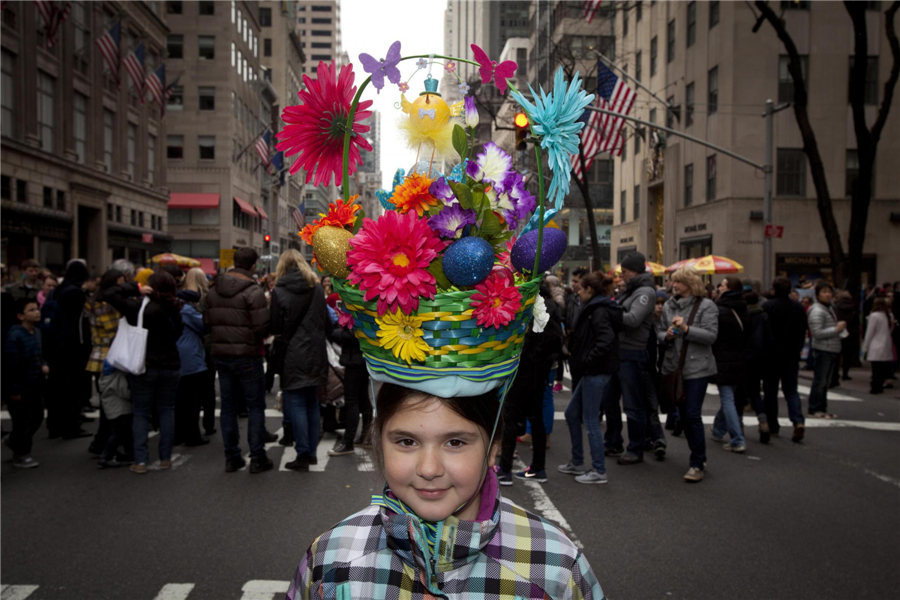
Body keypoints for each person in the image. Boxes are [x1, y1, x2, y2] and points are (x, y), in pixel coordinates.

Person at [285, 383, 605, 600]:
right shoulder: (331, 559)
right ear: (379, 444)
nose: (429, 468)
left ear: (494, 449)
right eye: (406, 441)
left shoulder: (557, 566)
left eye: (455, 442)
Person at [103, 272, 184, 474]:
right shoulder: (175, 308)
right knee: (167, 410)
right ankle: (165, 457)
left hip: (143, 364)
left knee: (140, 412)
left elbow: (108, 293)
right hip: (170, 364)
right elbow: (178, 333)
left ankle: (140, 460)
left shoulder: (137, 307)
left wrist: (134, 288)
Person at [206, 247, 273, 474]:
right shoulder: (253, 291)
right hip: (248, 354)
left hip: (221, 355)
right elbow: (261, 327)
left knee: (228, 407)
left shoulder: (213, 288)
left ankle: (232, 457)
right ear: (253, 266)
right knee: (255, 406)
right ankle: (257, 456)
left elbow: (205, 320)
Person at [497, 282, 564, 484]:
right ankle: (538, 468)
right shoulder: (552, 308)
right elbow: (556, 341)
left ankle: (505, 470)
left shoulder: (530, 306)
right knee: (536, 419)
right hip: (541, 370)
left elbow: (526, 338)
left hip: (524, 368)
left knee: (509, 416)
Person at [560, 272, 622, 484]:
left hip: (595, 370)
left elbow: (605, 341)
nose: (577, 290)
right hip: (592, 370)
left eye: (581, 288)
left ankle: (598, 470)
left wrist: (587, 359)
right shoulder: (598, 307)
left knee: (591, 421)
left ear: (590, 290)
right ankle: (578, 462)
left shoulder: (598, 310)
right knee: (571, 414)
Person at [270, 249, 329, 471]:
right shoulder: (316, 289)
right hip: (315, 352)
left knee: (295, 403)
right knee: (312, 402)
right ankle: (312, 452)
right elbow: (324, 320)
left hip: (292, 354)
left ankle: (303, 453)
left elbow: (275, 326)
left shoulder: (279, 290)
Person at [659, 268, 718, 482]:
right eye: (674, 282)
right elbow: (659, 330)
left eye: (680, 282)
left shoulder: (706, 306)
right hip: (675, 366)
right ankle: (698, 457)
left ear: (691, 284)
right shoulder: (668, 305)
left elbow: (711, 336)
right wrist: (665, 335)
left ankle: (697, 462)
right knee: (684, 415)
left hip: (697, 368)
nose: (675, 285)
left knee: (692, 414)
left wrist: (686, 328)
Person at [604, 252, 656, 465]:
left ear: (633, 271)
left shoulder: (645, 292)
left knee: (633, 404)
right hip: (619, 352)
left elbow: (633, 319)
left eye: (624, 272)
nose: (622, 276)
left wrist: (609, 313)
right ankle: (614, 442)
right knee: (609, 400)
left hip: (633, 352)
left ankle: (635, 448)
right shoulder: (632, 290)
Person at [44, 259, 94, 440]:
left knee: (57, 388)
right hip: (72, 348)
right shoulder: (75, 293)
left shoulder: (58, 290)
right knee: (72, 388)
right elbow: (80, 324)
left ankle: (55, 425)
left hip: (55, 346)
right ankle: (71, 425)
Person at [3, 298, 48, 468]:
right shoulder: (15, 336)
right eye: (31, 310)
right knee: (22, 420)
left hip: (35, 383)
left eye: (37, 309)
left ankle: (13, 441)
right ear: (20, 316)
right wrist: (13, 389)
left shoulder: (36, 332)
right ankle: (21, 454)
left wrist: (43, 364)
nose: (37, 312)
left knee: (36, 416)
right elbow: (11, 364)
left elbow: (39, 354)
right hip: (19, 386)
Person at [84, 269, 125, 456]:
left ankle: (103, 442)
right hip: (106, 358)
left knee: (109, 404)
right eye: (120, 283)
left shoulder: (98, 301)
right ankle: (102, 443)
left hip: (104, 356)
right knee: (111, 406)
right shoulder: (102, 304)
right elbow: (113, 331)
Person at [762, 277, 807, 442]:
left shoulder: (767, 307)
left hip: (771, 355)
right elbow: (803, 331)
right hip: (791, 354)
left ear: (774, 289)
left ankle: (773, 426)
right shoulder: (799, 308)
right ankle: (798, 421)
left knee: (771, 391)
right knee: (791, 390)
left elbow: (764, 332)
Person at [327, 300, 373, 458]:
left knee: (352, 400)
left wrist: (335, 333)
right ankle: (366, 437)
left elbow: (354, 334)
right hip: (361, 358)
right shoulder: (363, 302)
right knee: (362, 398)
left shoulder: (357, 304)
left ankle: (348, 442)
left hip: (355, 358)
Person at [709, 277, 750, 453]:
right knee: (729, 397)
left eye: (723, 285)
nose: (719, 288)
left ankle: (737, 439)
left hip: (722, 358)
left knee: (727, 399)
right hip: (739, 357)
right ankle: (718, 429)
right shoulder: (744, 308)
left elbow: (714, 336)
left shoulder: (720, 310)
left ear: (729, 289)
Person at [173, 289, 211, 446]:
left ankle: (178, 434)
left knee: (179, 400)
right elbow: (204, 326)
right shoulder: (188, 312)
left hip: (178, 358)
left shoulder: (175, 309)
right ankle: (193, 436)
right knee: (193, 400)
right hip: (191, 360)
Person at [182, 267, 217, 437]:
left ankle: (185, 426)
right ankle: (208, 425)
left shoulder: (180, 298)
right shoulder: (207, 297)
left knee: (186, 393)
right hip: (205, 345)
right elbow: (207, 324)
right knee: (207, 389)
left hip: (186, 347)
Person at [807, 282, 845, 418]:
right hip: (824, 348)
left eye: (829, 292)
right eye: (824, 292)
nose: (827, 294)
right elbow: (817, 332)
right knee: (821, 381)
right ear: (817, 295)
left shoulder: (828, 308)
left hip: (831, 348)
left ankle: (821, 408)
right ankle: (815, 408)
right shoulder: (817, 310)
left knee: (825, 381)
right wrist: (836, 329)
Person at [739, 289, 772, 443]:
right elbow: (767, 338)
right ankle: (763, 423)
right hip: (758, 358)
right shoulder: (763, 315)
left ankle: (739, 428)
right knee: (755, 393)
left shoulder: (742, 315)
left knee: (739, 394)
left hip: (742, 356)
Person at [96, 360, 134, 468]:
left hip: (112, 408)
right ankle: (106, 456)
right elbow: (125, 392)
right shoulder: (118, 377)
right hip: (121, 408)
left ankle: (129, 455)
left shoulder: (104, 377)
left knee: (125, 432)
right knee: (119, 433)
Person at [863, 297, 896, 394]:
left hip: (876, 343)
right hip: (886, 343)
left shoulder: (874, 316)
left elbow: (870, 332)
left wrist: (865, 347)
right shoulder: (889, 315)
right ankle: (880, 385)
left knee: (876, 369)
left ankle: (875, 387)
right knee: (883, 367)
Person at [833, 289, 859, 384]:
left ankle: (835, 375)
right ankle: (845, 373)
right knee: (848, 355)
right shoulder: (853, 307)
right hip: (851, 332)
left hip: (839, 331)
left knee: (837, 355)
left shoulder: (836, 307)